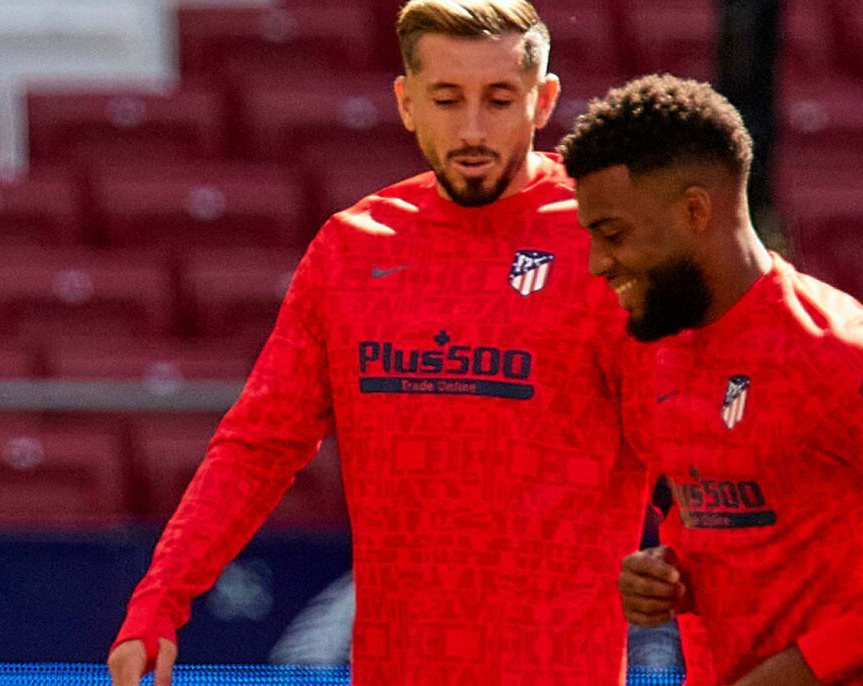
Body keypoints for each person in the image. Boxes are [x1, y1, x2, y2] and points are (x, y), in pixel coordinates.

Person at [106, 3, 651, 685]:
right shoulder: (352, 251)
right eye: (447, 99)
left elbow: (695, 470)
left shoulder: (614, 248)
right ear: (406, 102)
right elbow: (256, 447)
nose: (473, 128)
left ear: (544, 101)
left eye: (500, 99)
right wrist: (161, 599)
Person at [559, 74, 863, 685]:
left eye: (613, 234)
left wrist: (810, 665)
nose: (599, 263)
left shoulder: (840, 349)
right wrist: (668, 575)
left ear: (695, 210)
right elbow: (739, 529)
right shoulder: (662, 353)